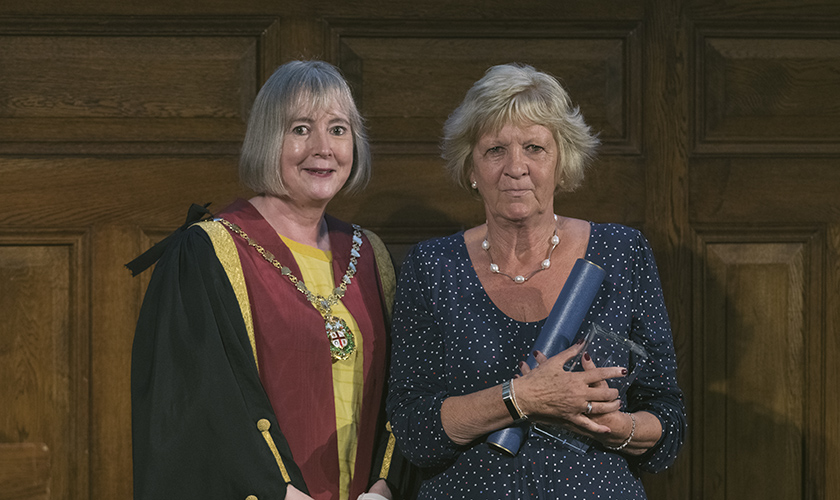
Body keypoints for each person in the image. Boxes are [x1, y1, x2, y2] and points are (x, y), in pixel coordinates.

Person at [386, 63, 686, 499]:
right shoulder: (433, 266)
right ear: (471, 167)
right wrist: (521, 398)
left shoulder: (623, 252)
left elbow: (667, 422)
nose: (516, 167)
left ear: (562, 162)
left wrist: (610, 425)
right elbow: (414, 431)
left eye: (534, 148)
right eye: (495, 150)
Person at [129, 60, 414, 500]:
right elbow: (198, 407)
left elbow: (404, 389)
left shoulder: (370, 254)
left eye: (338, 130)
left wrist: (382, 489)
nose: (323, 148)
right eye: (301, 129)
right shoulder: (208, 253)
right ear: (267, 138)